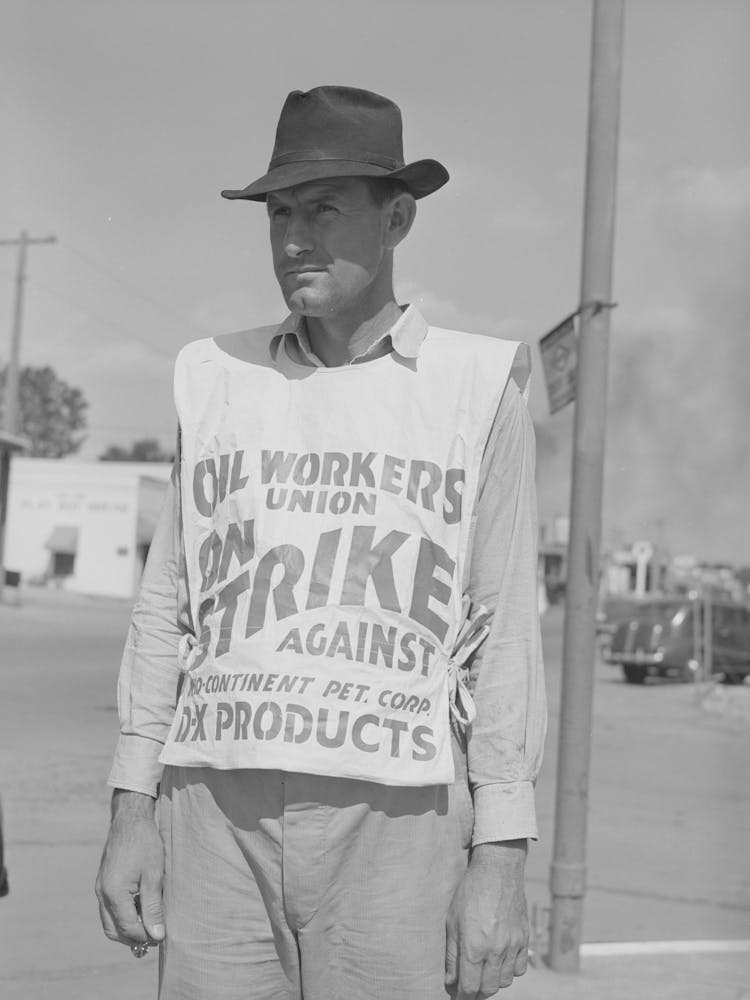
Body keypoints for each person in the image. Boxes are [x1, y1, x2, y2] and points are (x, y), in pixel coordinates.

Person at [95, 85, 546, 1000]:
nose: (294, 238)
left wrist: (501, 857)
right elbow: (164, 609)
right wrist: (130, 809)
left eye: (325, 208)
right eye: (280, 213)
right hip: (216, 804)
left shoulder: (474, 384)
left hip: (398, 815)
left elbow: (504, 634)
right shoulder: (216, 375)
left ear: (399, 218)